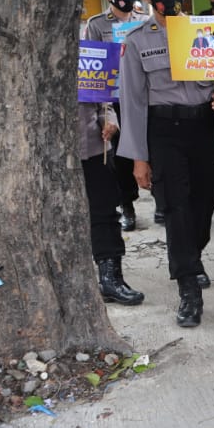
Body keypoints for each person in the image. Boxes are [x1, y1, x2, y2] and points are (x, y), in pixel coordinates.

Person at [118, 0, 214, 328]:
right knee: (175, 206)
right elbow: (133, 102)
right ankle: (188, 288)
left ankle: (192, 253)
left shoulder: (213, 30)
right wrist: (139, 159)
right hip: (163, 130)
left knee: (207, 196)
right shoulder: (137, 41)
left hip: (204, 125)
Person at [81, 0, 151, 232]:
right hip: (117, 98)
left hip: (145, 95)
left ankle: (161, 203)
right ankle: (128, 206)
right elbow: (94, 68)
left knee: (152, 149)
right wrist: (104, 112)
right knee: (123, 157)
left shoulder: (145, 20)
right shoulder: (97, 25)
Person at [77, 100, 144, 306]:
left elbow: (105, 103)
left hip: (94, 147)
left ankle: (110, 278)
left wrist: (110, 122)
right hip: (49, 153)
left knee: (104, 211)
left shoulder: (89, 65)